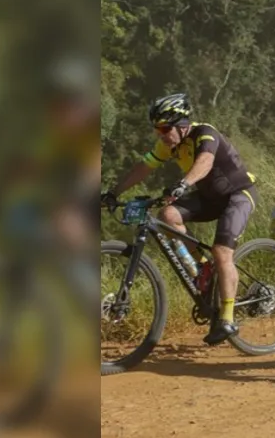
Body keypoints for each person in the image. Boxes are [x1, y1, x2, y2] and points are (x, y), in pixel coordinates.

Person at [101, 93, 258, 345]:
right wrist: (113, 193)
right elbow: (143, 167)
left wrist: (183, 184)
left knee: (222, 251)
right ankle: (203, 265)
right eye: (156, 130)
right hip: (209, 197)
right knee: (168, 214)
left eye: (164, 128)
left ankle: (227, 319)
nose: (160, 135)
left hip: (237, 195)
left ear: (182, 125)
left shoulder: (205, 133)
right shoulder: (168, 145)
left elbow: (205, 162)